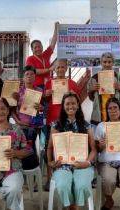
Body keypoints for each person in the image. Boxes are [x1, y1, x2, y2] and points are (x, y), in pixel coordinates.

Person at [47, 92, 97, 209]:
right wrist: (50, 162)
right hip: (62, 165)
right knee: (63, 185)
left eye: (73, 103)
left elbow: (94, 149)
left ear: (78, 105)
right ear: (63, 106)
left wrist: (87, 163)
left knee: (82, 186)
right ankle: (71, 206)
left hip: (82, 164)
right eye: (67, 104)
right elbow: (49, 147)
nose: (71, 106)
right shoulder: (56, 125)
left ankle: (76, 206)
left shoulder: (86, 125)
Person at [44, 58, 80, 187]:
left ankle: (70, 173)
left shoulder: (73, 83)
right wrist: (46, 95)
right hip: (52, 120)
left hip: (68, 121)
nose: (60, 69)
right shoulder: (49, 83)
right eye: (57, 67)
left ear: (66, 68)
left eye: (62, 67)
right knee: (50, 148)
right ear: (54, 68)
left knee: (68, 147)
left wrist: (75, 95)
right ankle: (49, 178)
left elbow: (78, 101)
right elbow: (43, 102)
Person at [13, 65, 43, 170]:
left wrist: (41, 108)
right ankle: (22, 176)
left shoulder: (40, 91)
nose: (29, 76)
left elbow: (43, 110)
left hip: (35, 126)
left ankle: (33, 176)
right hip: (21, 126)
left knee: (33, 150)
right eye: (27, 74)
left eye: (31, 74)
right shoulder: (18, 92)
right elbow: (12, 110)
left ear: (35, 77)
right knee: (21, 150)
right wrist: (18, 121)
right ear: (23, 77)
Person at [87, 52, 120, 125]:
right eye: (104, 62)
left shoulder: (119, 78)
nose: (107, 64)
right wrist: (92, 90)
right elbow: (91, 98)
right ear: (101, 63)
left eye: (109, 62)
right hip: (98, 118)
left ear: (113, 63)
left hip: (115, 117)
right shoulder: (94, 78)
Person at [26, 22, 59, 89]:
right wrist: (49, 69)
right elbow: (35, 71)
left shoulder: (45, 55)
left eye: (39, 46)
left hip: (48, 84)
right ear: (32, 50)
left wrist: (56, 29)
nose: (38, 49)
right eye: (35, 47)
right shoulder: (30, 59)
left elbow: (53, 43)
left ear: (42, 47)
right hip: (36, 86)